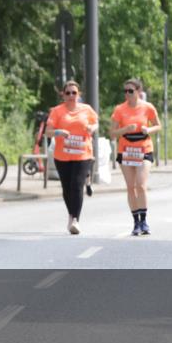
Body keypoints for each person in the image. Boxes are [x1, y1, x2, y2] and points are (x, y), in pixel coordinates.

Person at [110, 78, 162, 236]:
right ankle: (136, 222)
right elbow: (112, 133)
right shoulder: (119, 109)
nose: (127, 94)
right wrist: (125, 129)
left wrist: (149, 130)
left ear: (139, 92)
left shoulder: (148, 107)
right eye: (125, 91)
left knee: (141, 184)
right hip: (126, 150)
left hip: (144, 148)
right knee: (131, 186)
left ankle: (144, 221)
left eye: (130, 91)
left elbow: (158, 125)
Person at [46, 80, 99, 235]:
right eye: (67, 93)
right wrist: (58, 132)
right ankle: (71, 214)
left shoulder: (86, 109)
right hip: (62, 155)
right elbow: (48, 132)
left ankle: (75, 219)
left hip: (83, 154)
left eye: (74, 93)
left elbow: (96, 123)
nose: (71, 95)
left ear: (78, 94)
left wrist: (91, 128)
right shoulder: (57, 111)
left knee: (77, 185)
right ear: (63, 95)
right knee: (66, 188)